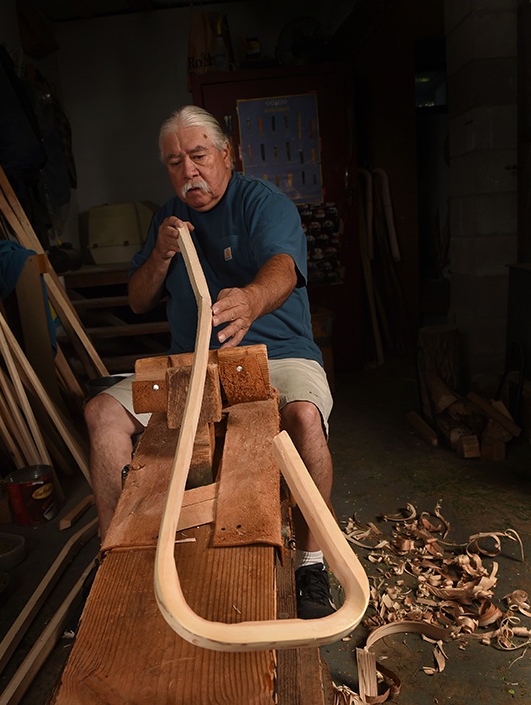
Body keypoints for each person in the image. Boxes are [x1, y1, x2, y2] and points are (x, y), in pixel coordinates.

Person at [84, 105, 336, 619]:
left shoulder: (263, 204)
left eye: (198, 156)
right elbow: (136, 300)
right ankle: (112, 559)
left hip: (277, 355)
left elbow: (283, 269)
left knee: (305, 418)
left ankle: (312, 561)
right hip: (192, 362)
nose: (188, 171)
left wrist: (251, 300)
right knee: (101, 414)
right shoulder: (167, 220)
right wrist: (159, 255)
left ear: (227, 153)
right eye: (175, 162)